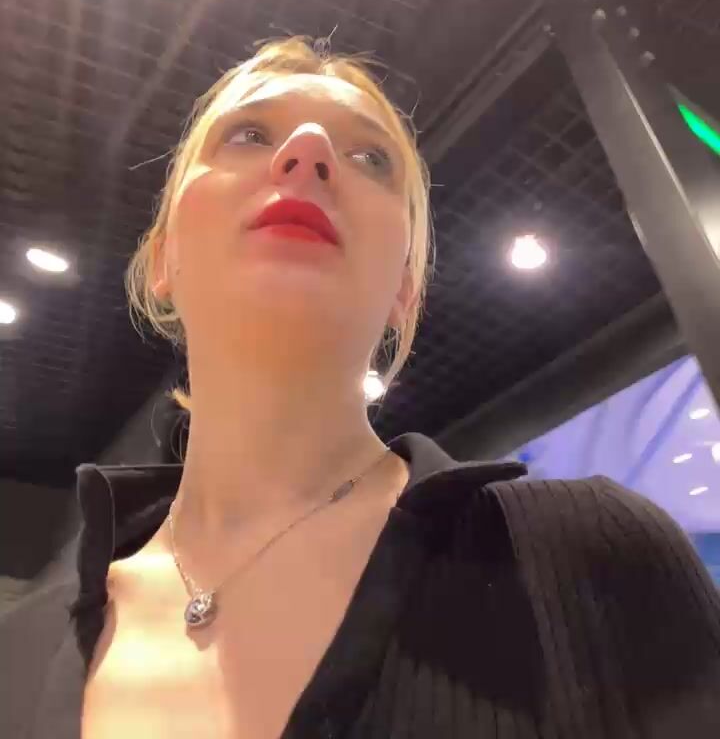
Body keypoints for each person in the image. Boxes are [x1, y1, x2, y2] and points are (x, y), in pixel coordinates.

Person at [1, 36, 719, 739]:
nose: (308, 149)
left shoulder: (590, 558)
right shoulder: (18, 655)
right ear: (163, 257)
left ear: (406, 289)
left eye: (370, 158)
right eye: (249, 135)